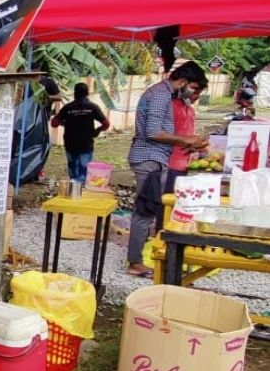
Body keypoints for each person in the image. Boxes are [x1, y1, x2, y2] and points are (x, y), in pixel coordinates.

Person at [125, 61, 209, 276]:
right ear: (182, 81)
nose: (192, 92)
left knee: (148, 210)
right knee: (145, 211)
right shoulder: (162, 94)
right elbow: (153, 132)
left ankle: (138, 259)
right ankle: (135, 263)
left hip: (153, 157)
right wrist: (184, 139)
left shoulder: (161, 92)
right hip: (149, 159)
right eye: (192, 87)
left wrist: (186, 142)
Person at [50, 83, 110, 183]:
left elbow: (54, 123)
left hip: (70, 143)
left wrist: (64, 123)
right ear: (87, 93)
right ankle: (82, 191)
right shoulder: (93, 107)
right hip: (86, 143)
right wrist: (97, 130)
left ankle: (74, 191)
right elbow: (106, 124)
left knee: (73, 169)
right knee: (85, 171)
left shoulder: (68, 107)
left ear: (74, 93)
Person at [165, 77, 208, 194]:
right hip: (172, 164)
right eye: (195, 92)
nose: (196, 96)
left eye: (199, 93)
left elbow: (189, 134)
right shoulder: (170, 107)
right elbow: (163, 135)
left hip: (188, 163)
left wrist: (198, 145)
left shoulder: (190, 110)